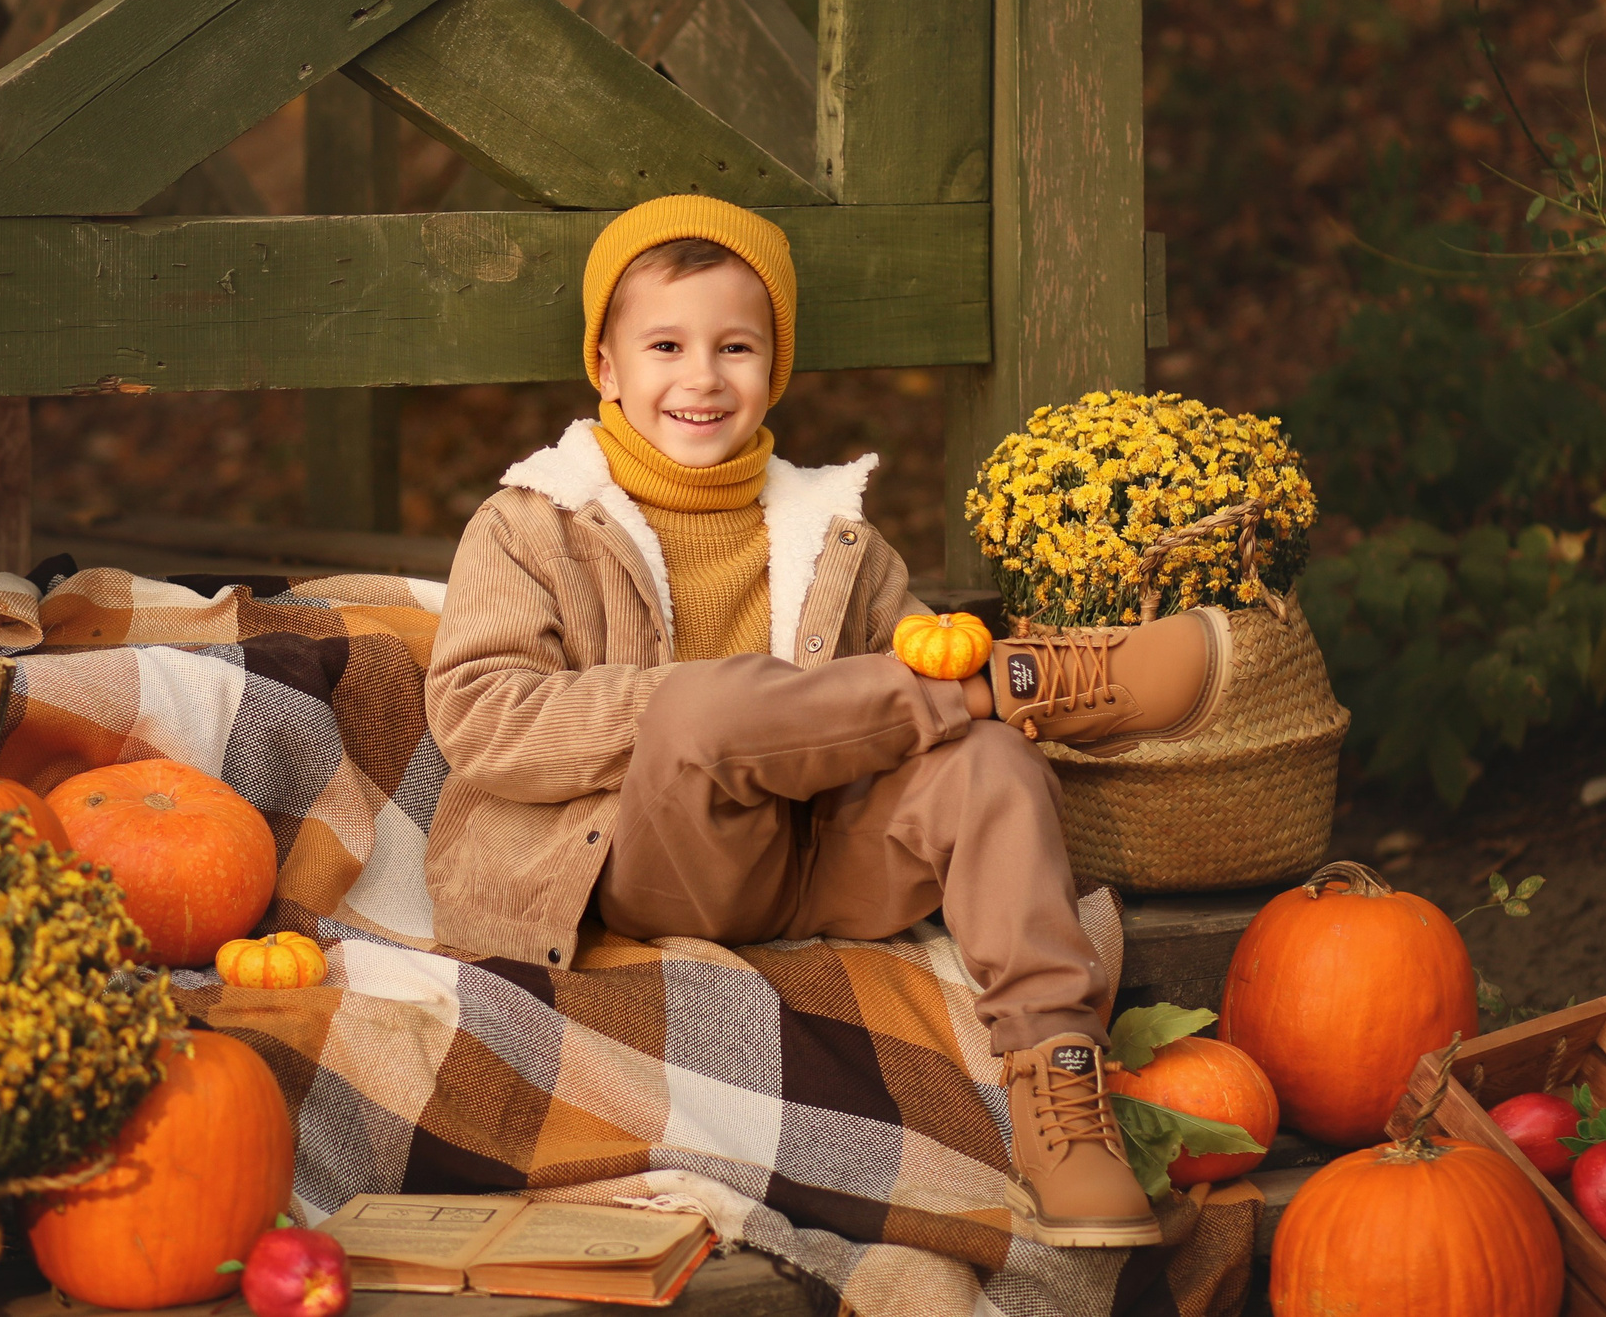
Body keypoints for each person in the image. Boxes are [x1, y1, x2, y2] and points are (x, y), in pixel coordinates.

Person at [423, 196, 1230, 1249]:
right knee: (701, 701)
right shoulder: (532, 521)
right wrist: (679, 704)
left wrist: (937, 657)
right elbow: (480, 714)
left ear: (776, 365)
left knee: (984, 754)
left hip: (819, 860)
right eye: (665, 344)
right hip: (643, 857)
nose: (702, 376)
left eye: (736, 346)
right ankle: (1028, 678)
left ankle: (1060, 1103)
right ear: (607, 368)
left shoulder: (835, 533)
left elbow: (888, 701)